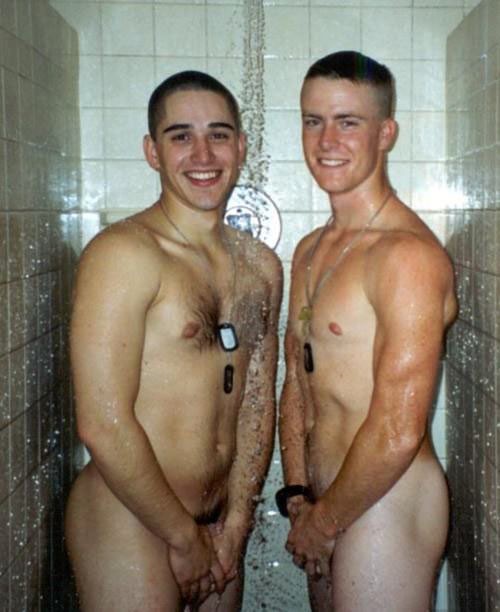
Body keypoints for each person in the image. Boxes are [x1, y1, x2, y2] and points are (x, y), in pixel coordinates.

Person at [65, 70, 283, 612]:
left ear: (241, 146)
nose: (202, 154)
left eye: (218, 134)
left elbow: (256, 403)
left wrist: (235, 524)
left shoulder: (261, 267)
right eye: (180, 136)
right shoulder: (124, 254)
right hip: (131, 518)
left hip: (216, 526)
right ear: (152, 152)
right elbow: (102, 422)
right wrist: (183, 538)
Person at [277, 51, 457, 611]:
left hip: (388, 500)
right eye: (313, 120)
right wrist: (299, 495)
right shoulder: (310, 250)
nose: (326, 140)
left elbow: (399, 429)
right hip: (326, 502)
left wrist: (324, 521)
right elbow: (298, 381)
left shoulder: (406, 257)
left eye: (347, 122)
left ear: (385, 133)